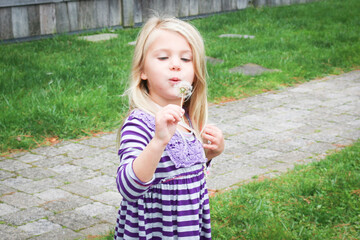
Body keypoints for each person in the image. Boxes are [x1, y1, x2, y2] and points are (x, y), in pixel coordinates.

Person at [114, 16, 224, 240]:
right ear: (142, 71)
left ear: (195, 75)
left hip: (187, 229)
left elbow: (185, 173)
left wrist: (209, 154)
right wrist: (158, 141)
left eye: (185, 59)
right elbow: (128, 188)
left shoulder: (188, 120)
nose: (175, 64)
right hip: (155, 230)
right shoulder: (141, 122)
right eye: (163, 57)